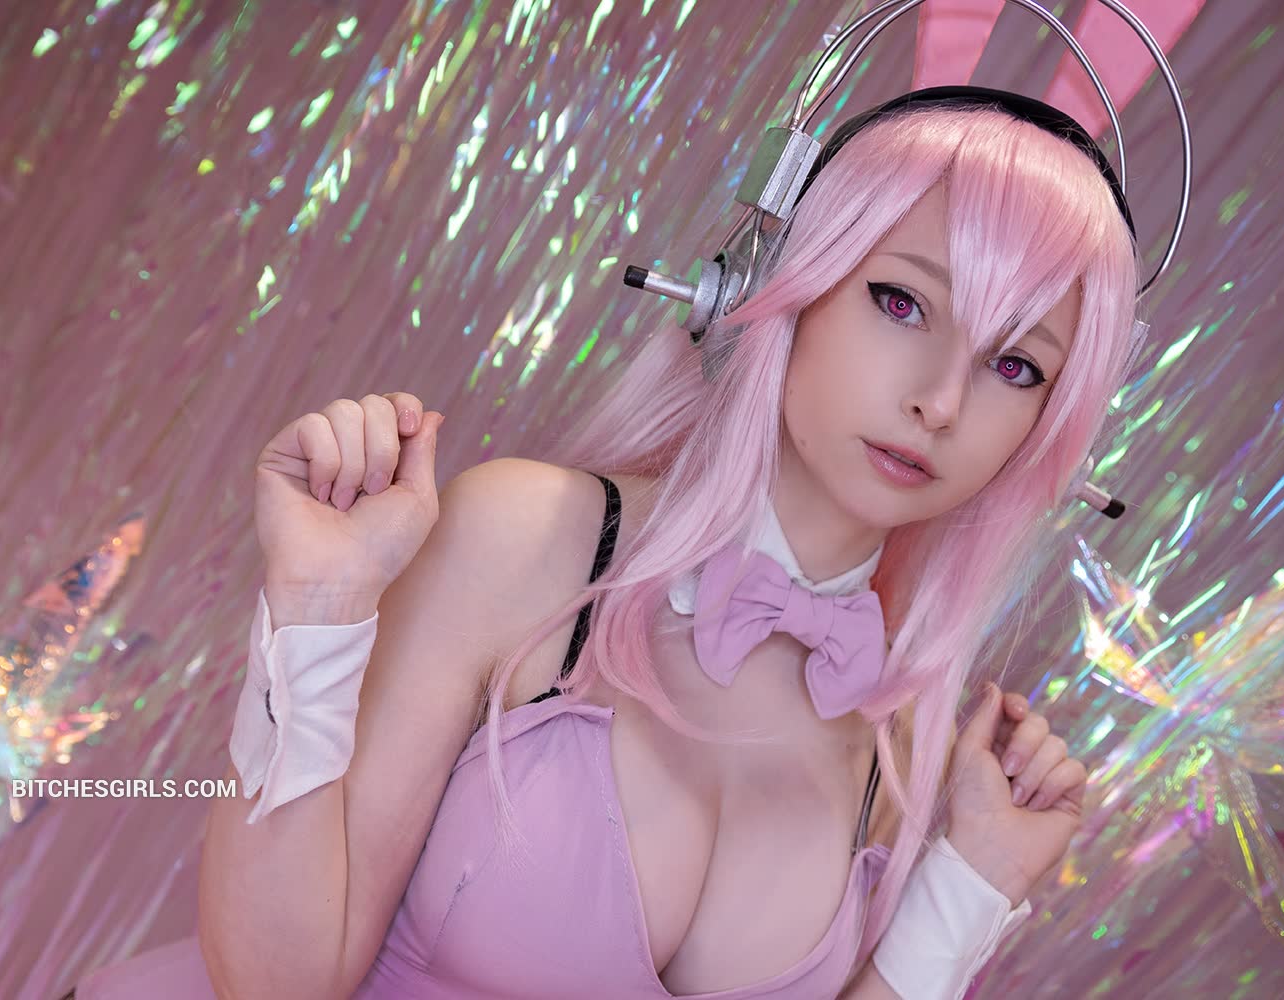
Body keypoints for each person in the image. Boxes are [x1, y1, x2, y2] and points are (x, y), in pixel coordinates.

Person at [68, 96, 1137, 999]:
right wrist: (317, 609)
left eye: (1017, 366)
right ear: (787, 283)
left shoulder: (896, 735)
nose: (941, 400)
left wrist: (968, 886)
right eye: (901, 302)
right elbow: (276, 982)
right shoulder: (528, 539)